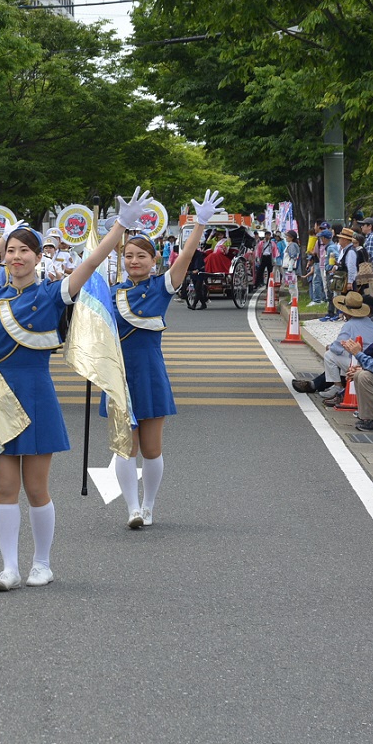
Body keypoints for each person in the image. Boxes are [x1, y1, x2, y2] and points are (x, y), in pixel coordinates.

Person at [0, 188, 155, 592]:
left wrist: (121, 225)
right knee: (4, 487)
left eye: (25, 251)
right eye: (11, 250)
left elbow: (91, 262)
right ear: (3, 256)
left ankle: (42, 563)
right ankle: (8, 568)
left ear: (38, 257)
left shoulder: (52, 294)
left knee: (36, 488)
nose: (16, 257)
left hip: (37, 394)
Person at [106, 190, 223, 529]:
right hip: (120, 374)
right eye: (129, 256)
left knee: (152, 447)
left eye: (141, 256)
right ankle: (131, 509)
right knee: (124, 445)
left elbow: (185, 258)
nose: (134, 261)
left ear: (153, 261)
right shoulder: (112, 293)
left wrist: (199, 224)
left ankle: (149, 505)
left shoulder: (162, 286)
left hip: (150, 370)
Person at [290, 291, 373, 402]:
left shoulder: (350, 325)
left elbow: (336, 347)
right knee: (341, 355)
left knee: (329, 355)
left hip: (361, 363)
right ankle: (328, 385)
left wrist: (329, 347)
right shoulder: (369, 322)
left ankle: (337, 387)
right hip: (368, 359)